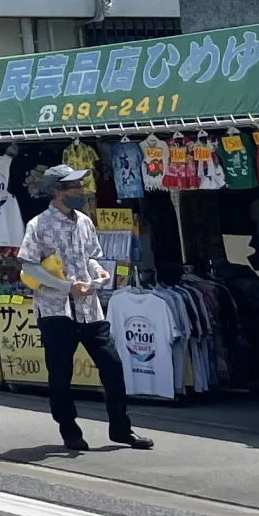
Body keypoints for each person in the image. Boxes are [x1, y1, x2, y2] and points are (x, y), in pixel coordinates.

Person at [19, 164, 153, 455]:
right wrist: (67, 287)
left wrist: (99, 272)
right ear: (57, 192)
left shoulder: (84, 221)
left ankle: (121, 428)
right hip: (56, 311)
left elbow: (92, 255)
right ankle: (70, 431)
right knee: (60, 376)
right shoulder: (38, 225)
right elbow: (28, 266)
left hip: (90, 308)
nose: (80, 191)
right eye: (74, 187)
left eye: (80, 186)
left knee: (113, 367)